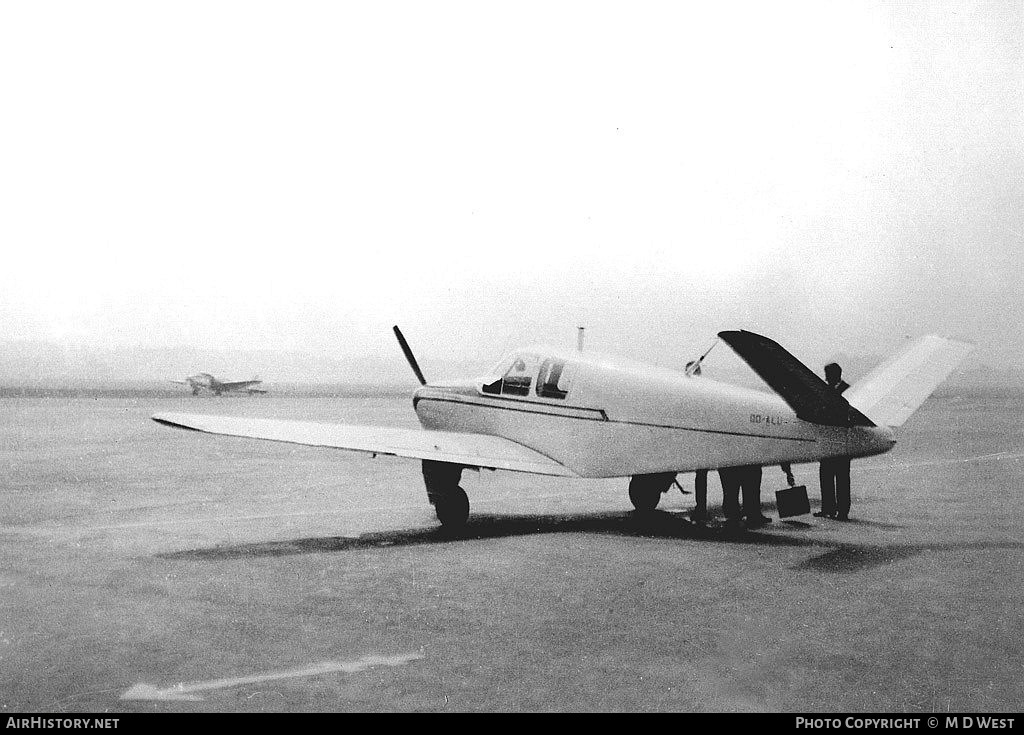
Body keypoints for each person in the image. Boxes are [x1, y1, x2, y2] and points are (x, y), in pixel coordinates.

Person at [816, 362, 853, 520]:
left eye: (828, 374)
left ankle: (842, 511)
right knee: (827, 476)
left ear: (835, 374)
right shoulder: (835, 390)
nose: (826, 378)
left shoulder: (848, 391)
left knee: (841, 478)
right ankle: (828, 508)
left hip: (841, 441)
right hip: (828, 441)